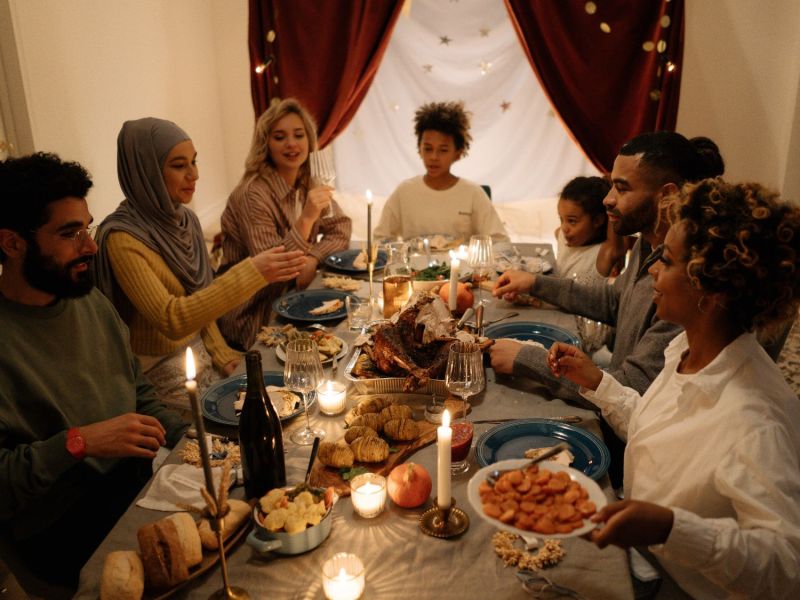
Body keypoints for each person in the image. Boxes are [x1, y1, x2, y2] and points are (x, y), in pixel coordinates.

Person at [547, 179, 800, 599]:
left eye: (666, 259)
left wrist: (671, 527)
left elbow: (786, 563)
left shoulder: (753, 418)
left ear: (710, 287)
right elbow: (663, 435)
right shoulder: (688, 348)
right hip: (648, 556)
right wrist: (599, 383)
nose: (651, 270)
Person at [0, 153, 188, 589]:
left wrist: (192, 440)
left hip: (135, 490)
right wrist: (80, 442)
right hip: (60, 529)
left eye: (87, 227)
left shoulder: (87, 300)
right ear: (12, 243)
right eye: (70, 233)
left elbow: (136, 390)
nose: (90, 246)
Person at [490, 132, 724, 405]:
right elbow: (616, 301)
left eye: (622, 188)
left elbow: (631, 389)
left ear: (667, 196)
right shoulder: (646, 243)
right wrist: (535, 283)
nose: (608, 199)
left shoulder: (683, 280)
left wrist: (527, 360)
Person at [94, 118, 306, 412]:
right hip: (157, 370)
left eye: (194, 162)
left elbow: (202, 298)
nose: (194, 174)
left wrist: (222, 355)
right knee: (238, 429)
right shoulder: (122, 238)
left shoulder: (184, 220)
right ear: (146, 171)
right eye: (179, 166)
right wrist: (252, 272)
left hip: (203, 352)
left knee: (290, 393)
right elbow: (173, 319)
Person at [218, 98, 352, 350]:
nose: (291, 144)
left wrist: (313, 257)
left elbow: (341, 226)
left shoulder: (307, 181)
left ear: (309, 140)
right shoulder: (252, 194)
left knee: (352, 326)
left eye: (298, 135)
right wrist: (307, 218)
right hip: (254, 314)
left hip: (295, 298)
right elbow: (274, 269)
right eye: (279, 137)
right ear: (265, 144)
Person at [373, 100, 509, 242]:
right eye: (428, 148)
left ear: (457, 153)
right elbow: (381, 238)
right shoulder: (404, 191)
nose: (433, 157)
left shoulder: (473, 194)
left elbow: (499, 240)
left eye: (443, 150)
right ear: (419, 149)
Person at [552, 175, 610, 284]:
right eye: (561, 219)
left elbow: (618, 246)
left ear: (597, 220)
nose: (564, 228)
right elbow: (557, 232)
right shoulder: (562, 235)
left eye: (572, 221)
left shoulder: (603, 254)